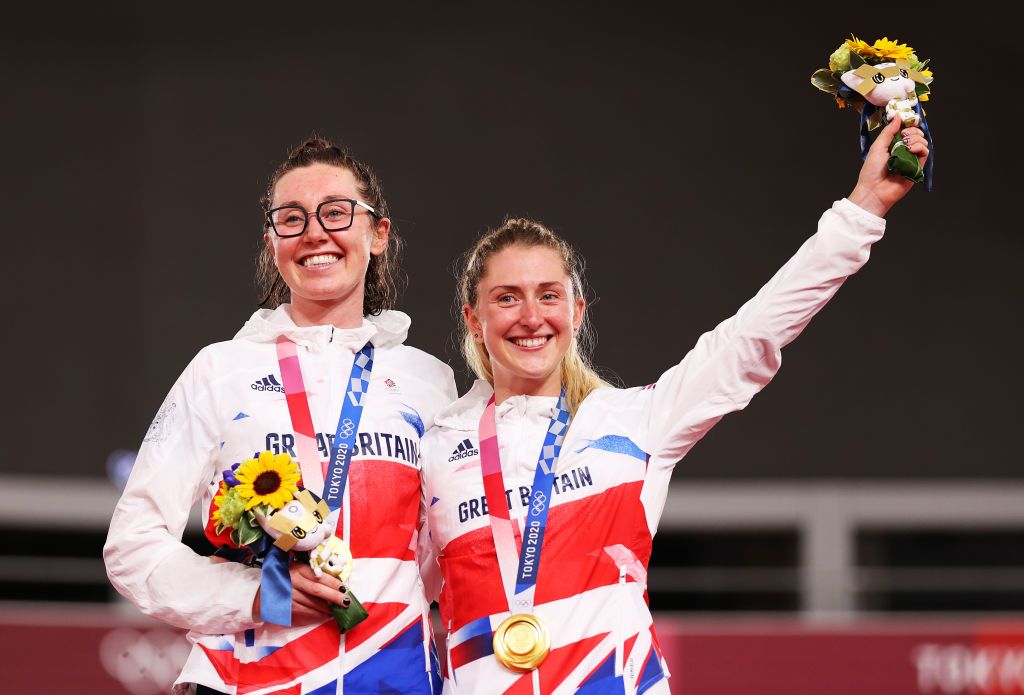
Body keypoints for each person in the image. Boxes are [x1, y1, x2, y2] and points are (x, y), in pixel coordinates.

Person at [420, 116, 929, 693]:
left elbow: (751, 336)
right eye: (506, 299)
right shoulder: (435, 450)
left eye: (548, 296)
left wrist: (862, 209)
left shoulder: (635, 421)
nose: (531, 318)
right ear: (474, 320)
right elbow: (391, 593)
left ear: (578, 311)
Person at [104, 138, 457, 695]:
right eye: (291, 219)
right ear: (273, 243)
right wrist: (256, 594)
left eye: (336, 212)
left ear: (379, 234)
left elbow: (447, 556)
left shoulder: (428, 380)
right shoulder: (220, 369)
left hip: (394, 677)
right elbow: (133, 545)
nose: (315, 232)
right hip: (247, 680)